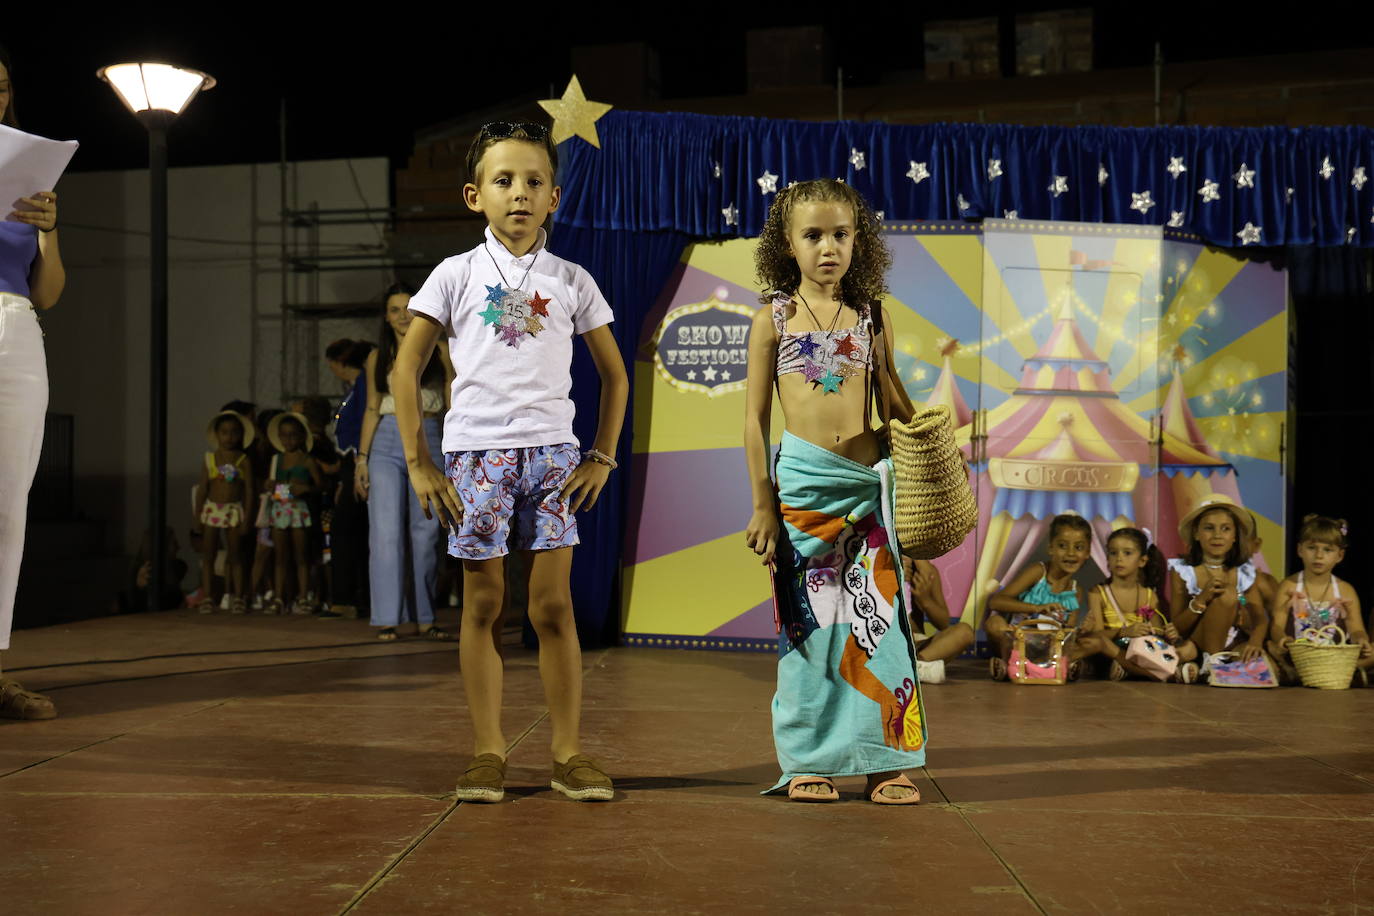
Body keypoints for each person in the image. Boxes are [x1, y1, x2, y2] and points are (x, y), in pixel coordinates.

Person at [396, 121, 628, 802]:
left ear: (554, 196)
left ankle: (567, 752)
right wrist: (418, 461)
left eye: (533, 182)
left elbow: (615, 376)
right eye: (504, 181)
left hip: (553, 458)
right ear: (476, 195)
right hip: (475, 457)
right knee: (483, 604)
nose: (519, 194)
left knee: (552, 606)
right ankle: (488, 751)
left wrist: (601, 456)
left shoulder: (571, 279)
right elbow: (406, 371)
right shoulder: (454, 274)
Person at [743, 179, 925, 804]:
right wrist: (763, 503)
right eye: (813, 235)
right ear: (786, 245)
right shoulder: (772, 317)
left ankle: (886, 762)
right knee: (810, 632)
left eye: (841, 235)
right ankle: (805, 762)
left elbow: (894, 409)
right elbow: (753, 421)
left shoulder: (873, 313)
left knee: (882, 630)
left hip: (866, 489)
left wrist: (890, 369)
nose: (828, 247)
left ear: (859, 241)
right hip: (802, 488)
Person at [0, 45, 65, 720]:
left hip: (16, 329)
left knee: (7, 506)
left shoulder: (30, 176)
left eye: (2, 86)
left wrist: (49, 233)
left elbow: (48, 292)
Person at [355, 284, 455, 640]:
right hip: (384, 441)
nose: (402, 315)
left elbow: (451, 401)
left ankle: (426, 617)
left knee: (427, 532)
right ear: (386, 316)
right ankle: (387, 618)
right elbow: (371, 407)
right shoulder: (375, 357)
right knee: (384, 533)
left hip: (429, 434)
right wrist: (361, 460)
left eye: (408, 307)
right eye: (394, 309)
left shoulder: (439, 349)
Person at [1078, 527, 1199, 682]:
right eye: (1113, 553)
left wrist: (1170, 635)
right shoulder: (1098, 593)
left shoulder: (1149, 595)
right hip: (1115, 650)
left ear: (1142, 560)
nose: (1119, 558)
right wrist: (1124, 631)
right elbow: (1097, 635)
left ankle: (1131, 670)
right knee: (1106, 649)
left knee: (1190, 649)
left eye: (1127, 553)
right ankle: (1170, 673)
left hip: (1144, 651)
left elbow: (1157, 633)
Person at [985, 513, 1094, 682]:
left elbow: (1067, 631)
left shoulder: (1076, 591)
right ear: (1050, 548)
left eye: (1079, 547)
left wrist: (1080, 631)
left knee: (1092, 642)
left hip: (1048, 648)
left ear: (1087, 553)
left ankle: (1051, 665)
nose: (1071, 553)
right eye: (1063, 546)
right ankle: (1012, 663)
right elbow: (996, 601)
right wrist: (1035, 608)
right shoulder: (1038, 572)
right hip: (1018, 641)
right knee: (994, 624)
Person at [1167, 495, 1268, 670]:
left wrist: (1255, 642)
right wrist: (1201, 599)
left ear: (1235, 536)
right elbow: (1178, 627)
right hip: (1197, 641)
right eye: (1209, 528)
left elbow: (1260, 619)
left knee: (1263, 666)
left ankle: (1209, 668)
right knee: (1227, 593)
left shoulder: (1243, 572)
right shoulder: (1183, 571)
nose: (1217, 535)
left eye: (1226, 529)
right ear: (1196, 534)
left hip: (1233, 642)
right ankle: (1211, 665)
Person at [1268, 515, 1370, 685]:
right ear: (1300, 550)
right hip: (1298, 655)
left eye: (1327, 550)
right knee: (1271, 647)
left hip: (1333, 656)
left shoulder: (1345, 590)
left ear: (1340, 555)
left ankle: (1340, 670)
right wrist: (1282, 639)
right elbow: (1277, 625)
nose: (1319, 555)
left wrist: (1361, 640)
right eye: (1312, 548)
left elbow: (1356, 629)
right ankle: (1335, 674)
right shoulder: (1289, 586)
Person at [324, 338, 374, 618]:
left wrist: (356, 466)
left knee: (347, 530)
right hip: (350, 461)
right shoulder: (355, 388)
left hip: (356, 461)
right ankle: (355, 597)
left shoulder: (364, 385)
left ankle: (347, 598)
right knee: (353, 529)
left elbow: (361, 427)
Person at [193, 411, 254, 613]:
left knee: (235, 555)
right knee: (208, 555)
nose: (229, 437)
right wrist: (197, 517)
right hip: (212, 509)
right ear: (217, 435)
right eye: (225, 432)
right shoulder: (210, 459)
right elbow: (203, 489)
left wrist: (247, 519)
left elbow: (249, 491)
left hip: (234, 509)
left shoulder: (243, 460)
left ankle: (238, 597)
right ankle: (208, 597)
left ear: (241, 435)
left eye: (234, 432)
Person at [265, 412, 320, 615]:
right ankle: (279, 597)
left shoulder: (307, 461)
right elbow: (273, 488)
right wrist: (271, 486)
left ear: (302, 437)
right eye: (285, 435)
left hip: (298, 510)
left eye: (293, 435)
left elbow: (320, 486)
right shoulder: (276, 460)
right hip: (280, 509)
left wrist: (306, 488)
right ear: (279, 437)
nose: (289, 440)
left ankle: (303, 596)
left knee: (301, 556)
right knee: (280, 557)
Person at [902, 557, 974, 684]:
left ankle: (911, 668)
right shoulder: (870, 567)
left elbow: (943, 623)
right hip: (885, 643)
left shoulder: (924, 572)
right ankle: (915, 670)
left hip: (918, 646)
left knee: (964, 632)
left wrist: (925, 600)